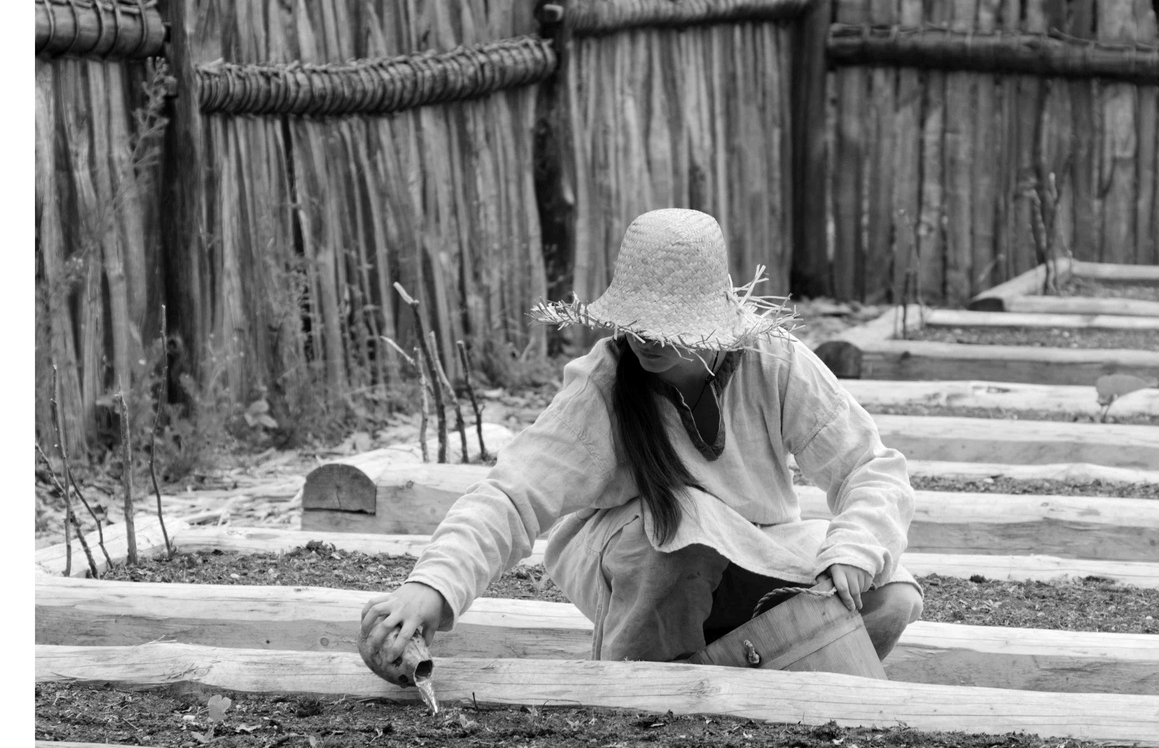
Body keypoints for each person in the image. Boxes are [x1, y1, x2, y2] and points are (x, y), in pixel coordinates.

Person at [359, 207, 922, 666]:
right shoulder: (602, 387)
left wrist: (853, 550)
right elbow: (511, 496)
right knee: (680, 527)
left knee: (891, 596)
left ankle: (731, 670)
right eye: (634, 320)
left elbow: (870, 467)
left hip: (754, 554)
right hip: (645, 565)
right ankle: (649, 688)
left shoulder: (774, 362)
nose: (644, 338)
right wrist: (432, 585)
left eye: (663, 323)